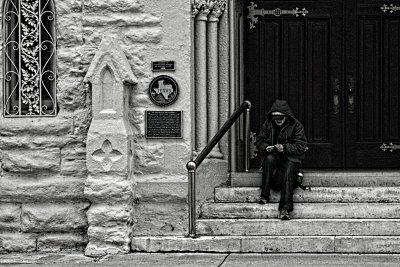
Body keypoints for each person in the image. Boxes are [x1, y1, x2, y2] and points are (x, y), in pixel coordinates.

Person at [255, 99, 307, 220]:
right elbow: (260, 140)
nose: (277, 122)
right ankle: (264, 195)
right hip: (274, 155)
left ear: (286, 117)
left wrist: (284, 148)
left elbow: (301, 146)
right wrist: (265, 147)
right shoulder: (268, 124)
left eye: (280, 119)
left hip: (291, 157)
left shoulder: (296, 126)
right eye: (275, 119)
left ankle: (285, 208)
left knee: (289, 171)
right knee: (269, 160)